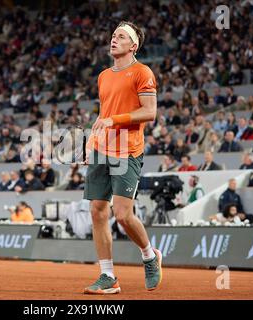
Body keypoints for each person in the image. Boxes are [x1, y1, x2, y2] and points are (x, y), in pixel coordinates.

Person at [83, 21, 162, 295]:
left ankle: (149, 255)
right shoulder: (104, 75)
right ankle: (108, 276)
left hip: (128, 150)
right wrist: (91, 144)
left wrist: (114, 121)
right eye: (113, 35)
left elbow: (149, 112)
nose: (113, 40)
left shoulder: (142, 72)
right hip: (102, 149)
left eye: (120, 36)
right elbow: (103, 115)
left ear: (133, 45)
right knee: (97, 210)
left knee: (123, 214)